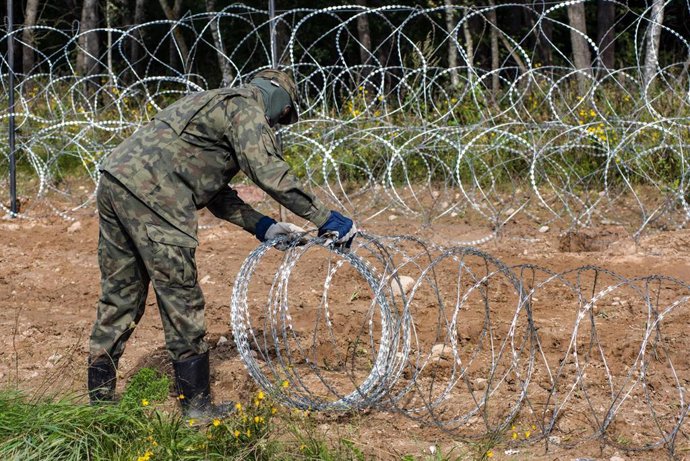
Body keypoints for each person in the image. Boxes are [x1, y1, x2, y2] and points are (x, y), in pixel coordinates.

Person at [88, 69, 356, 417]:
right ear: (279, 100)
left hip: (115, 183)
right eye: (284, 117)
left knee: (120, 294)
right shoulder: (247, 108)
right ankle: (197, 408)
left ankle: (99, 404)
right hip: (157, 196)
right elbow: (270, 173)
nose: (277, 125)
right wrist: (326, 218)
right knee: (180, 296)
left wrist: (264, 226)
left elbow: (211, 188)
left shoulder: (214, 102)